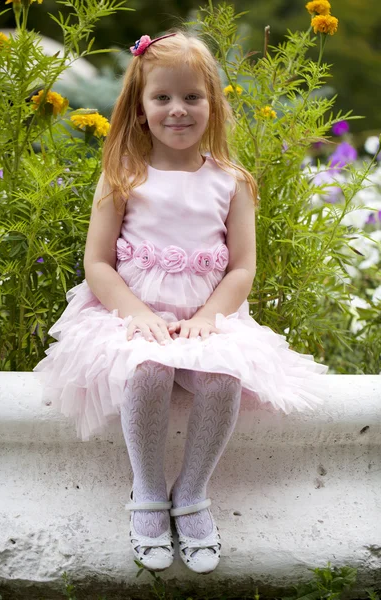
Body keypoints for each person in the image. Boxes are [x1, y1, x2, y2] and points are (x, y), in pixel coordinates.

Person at [33, 30, 328, 575]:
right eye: (162, 98)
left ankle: (191, 494)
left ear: (212, 103)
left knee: (221, 379)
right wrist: (137, 313)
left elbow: (242, 267)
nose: (178, 110)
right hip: (128, 314)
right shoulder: (124, 175)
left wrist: (209, 318)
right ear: (140, 109)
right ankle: (147, 493)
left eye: (192, 97)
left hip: (204, 318)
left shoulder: (232, 182)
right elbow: (97, 263)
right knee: (146, 373)